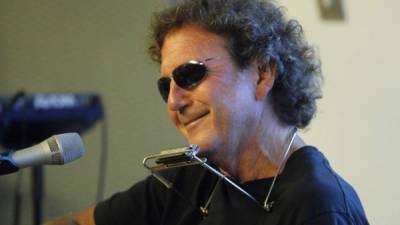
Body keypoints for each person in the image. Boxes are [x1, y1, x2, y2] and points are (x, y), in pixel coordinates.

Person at [46, 0, 369, 224]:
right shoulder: (195, 179)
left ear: (262, 74)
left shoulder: (319, 206)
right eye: (165, 86)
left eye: (190, 75)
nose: (174, 102)